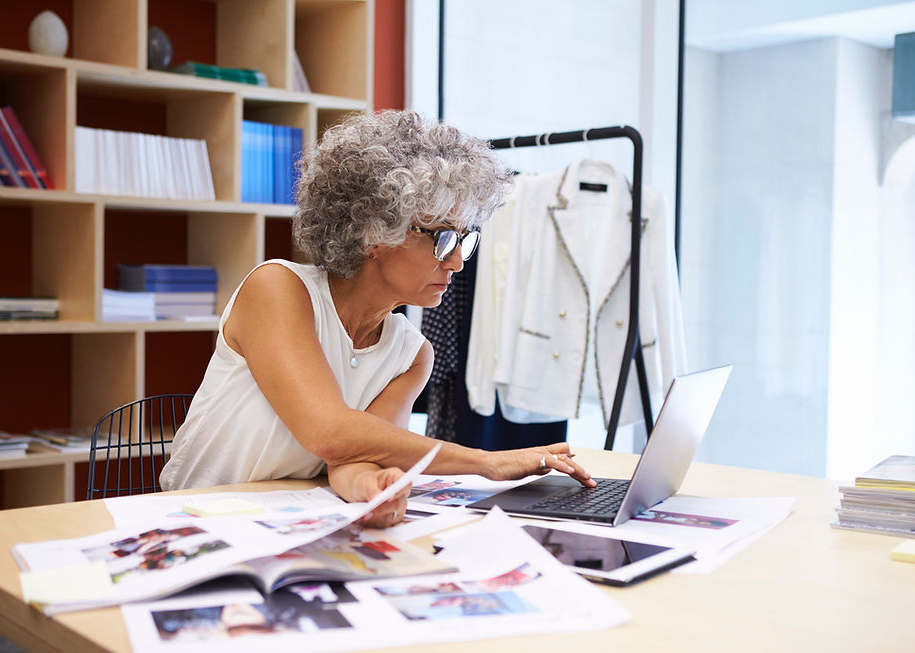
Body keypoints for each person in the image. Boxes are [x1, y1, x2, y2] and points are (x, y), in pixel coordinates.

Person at [159, 110, 594, 527]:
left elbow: (348, 460)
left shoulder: (411, 355)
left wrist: (374, 484)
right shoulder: (277, 290)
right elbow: (329, 432)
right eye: (443, 238)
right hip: (191, 518)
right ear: (374, 233)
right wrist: (486, 462)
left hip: (283, 524)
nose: (458, 262)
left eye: (465, 239)